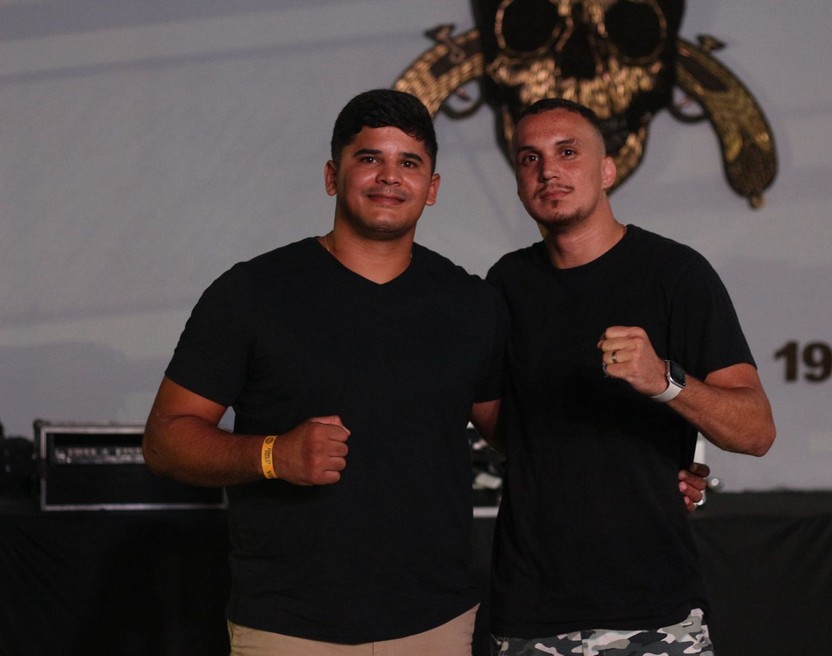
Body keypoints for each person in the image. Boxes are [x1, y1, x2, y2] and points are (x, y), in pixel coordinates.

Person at [143, 89, 509, 656]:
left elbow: (515, 433)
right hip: (287, 625)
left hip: (434, 624)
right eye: (370, 158)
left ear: (431, 188)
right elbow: (166, 441)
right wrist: (274, 455)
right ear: (332, 176)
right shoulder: (252, 292)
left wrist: (652, 468)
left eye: (408, 162)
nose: (389, 176)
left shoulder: (471, 304)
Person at [485, 98, 776, 656]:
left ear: (607, 169)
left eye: (568, 152)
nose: (549, 170)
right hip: (530, 611)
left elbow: (756, 431)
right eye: (529, 158)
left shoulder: (676, 274)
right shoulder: (505, 284)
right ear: (519, 182)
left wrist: (666, 382)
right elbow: (503, 424)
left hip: (653, 610)